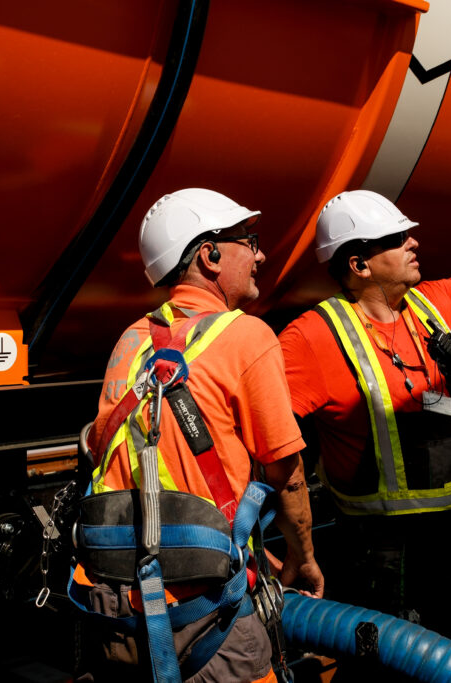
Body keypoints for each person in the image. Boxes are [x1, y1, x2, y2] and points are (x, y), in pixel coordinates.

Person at [278, 140, 451, 653]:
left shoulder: (441, 303)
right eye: (397, 238)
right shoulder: (312, 339)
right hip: (375, 544)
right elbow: (266, 438)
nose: (413, 242)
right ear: (359, 265)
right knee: (384, 662)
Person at [77, 188, 324, 682]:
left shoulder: (129, 340)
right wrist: (304, 559)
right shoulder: (247, 335)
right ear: (210, 255)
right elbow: (288, 476)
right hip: (206, 612)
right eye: (248, 241)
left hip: (114, 608)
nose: (260, 254)